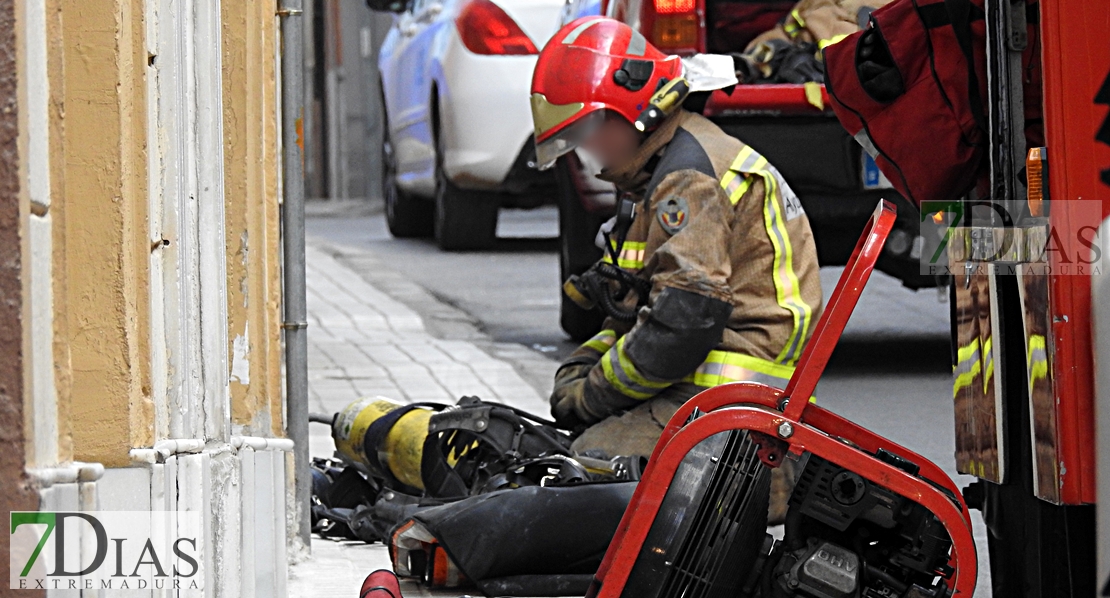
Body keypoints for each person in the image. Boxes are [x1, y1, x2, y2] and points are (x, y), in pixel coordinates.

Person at [530, 17, 823, 511]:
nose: (588, 151)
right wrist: (583, 366)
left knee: (584, 469)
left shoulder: (686, 179)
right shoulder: (664, 165)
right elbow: (635, 307)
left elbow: (684, 322)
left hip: (728, 402)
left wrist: (594, 395)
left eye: (587, 130)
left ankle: (752, 493)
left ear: (632, 112)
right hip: (707, 389)